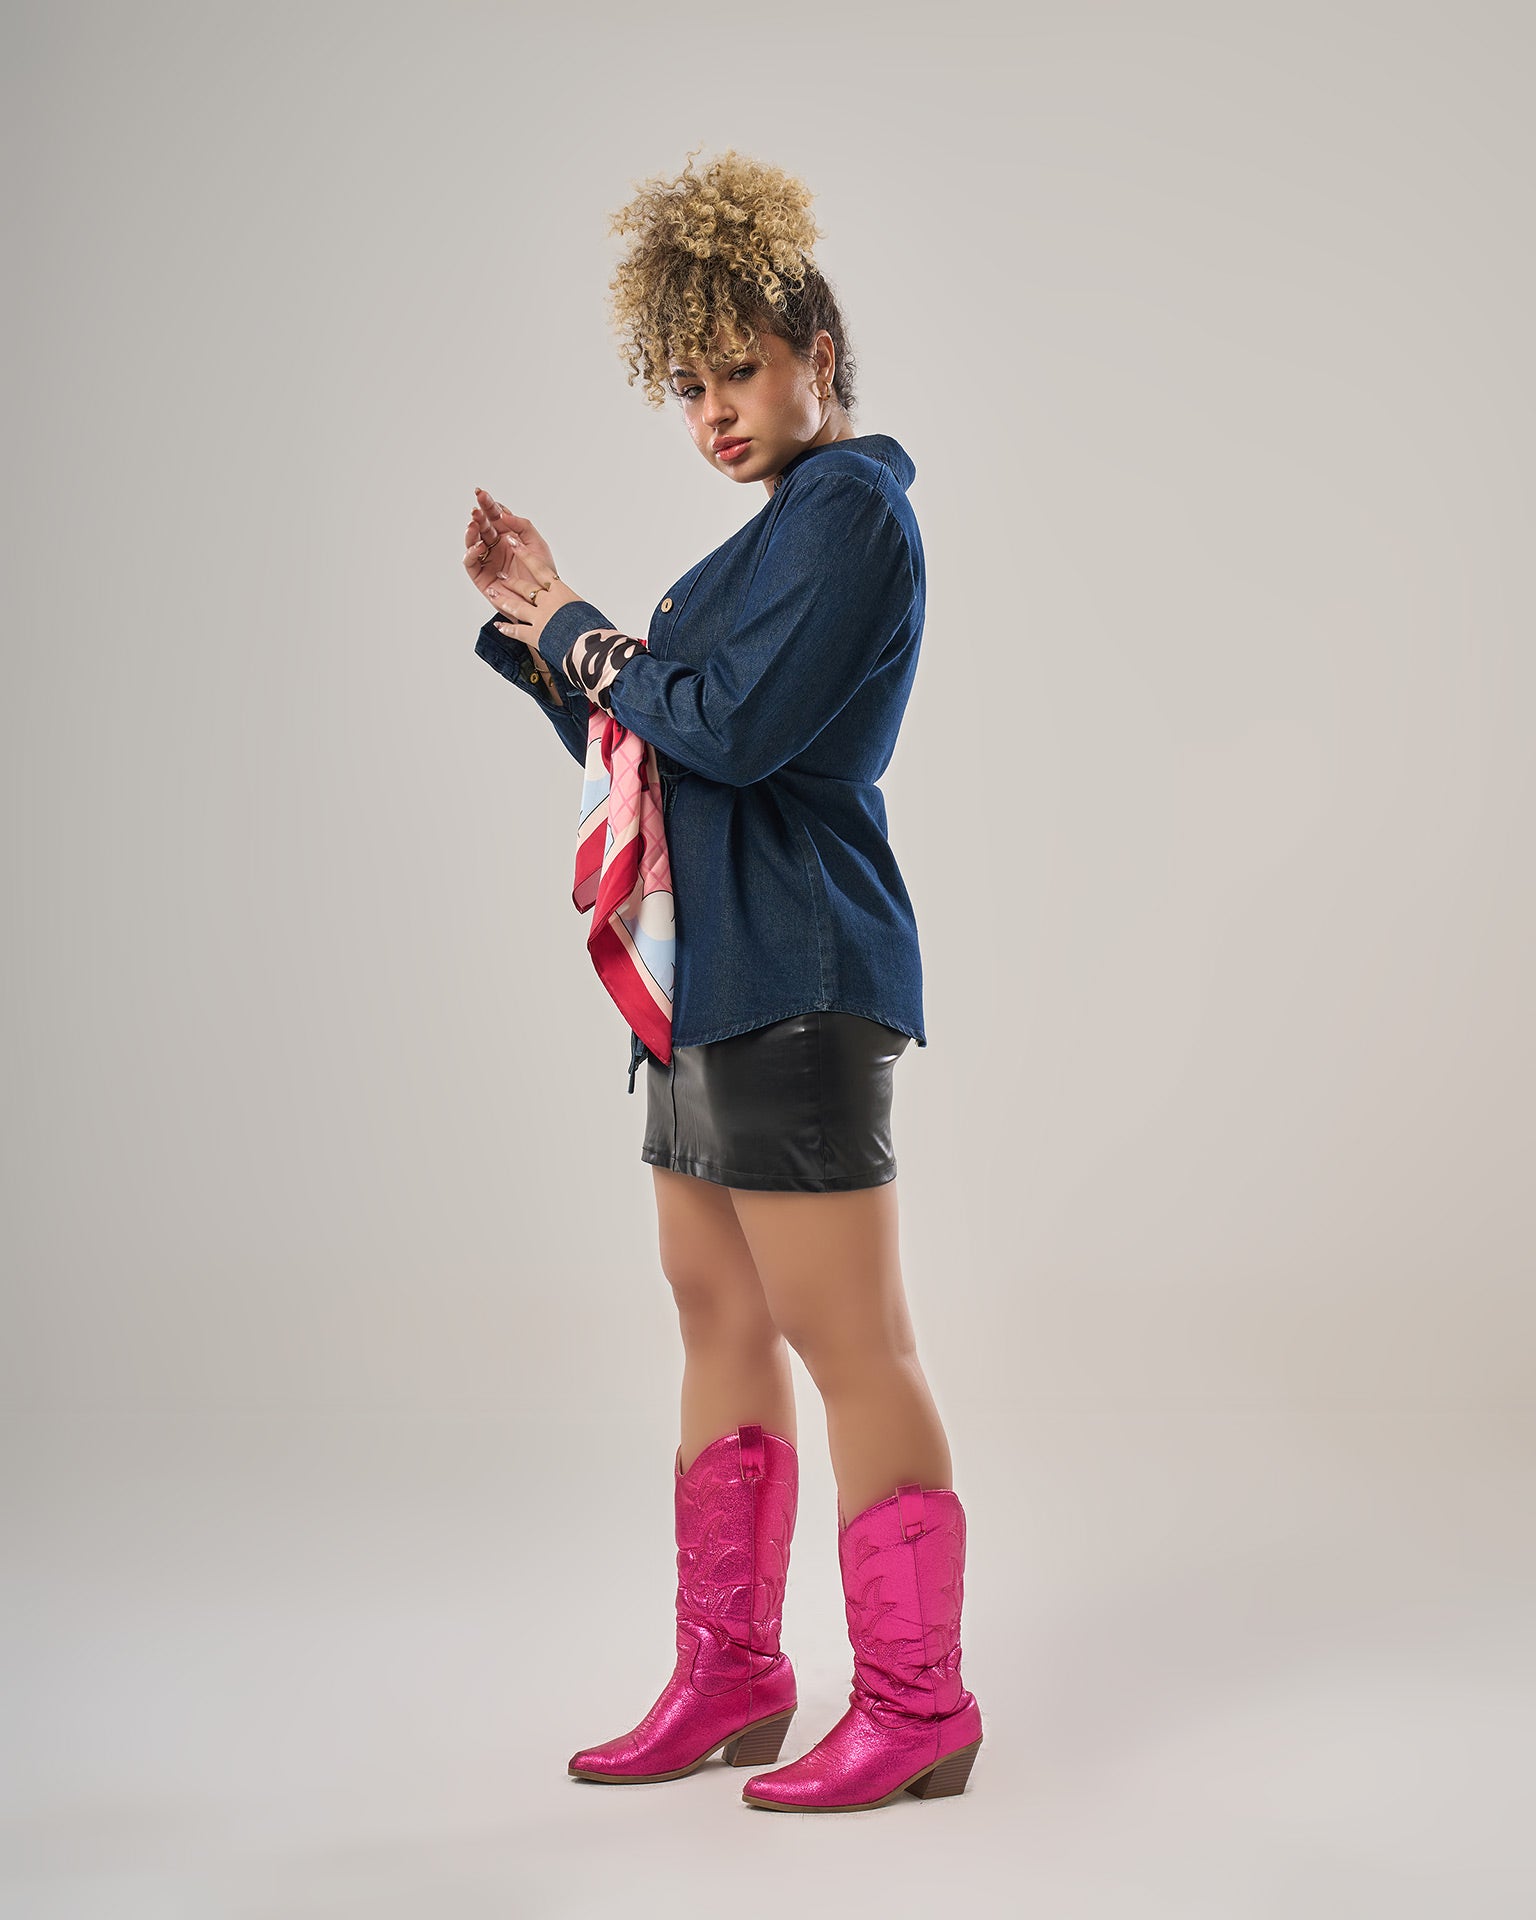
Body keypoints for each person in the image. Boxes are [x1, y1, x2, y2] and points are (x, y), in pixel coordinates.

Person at [462, 148, 982, 1813]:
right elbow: (661, 733)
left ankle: (918, 1703)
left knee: (847, 1337)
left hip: (800, 967)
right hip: (708, 973)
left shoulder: (850, 512)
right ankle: (733, 1672)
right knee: (716, 1312)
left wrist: (590, 627)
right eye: (687, 386)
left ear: (818, 353)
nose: (713, 413)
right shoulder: (758, 548)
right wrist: (543, 622)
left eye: (738, 373)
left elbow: (735, 727)